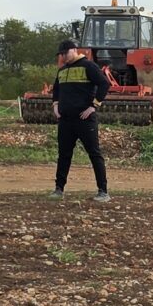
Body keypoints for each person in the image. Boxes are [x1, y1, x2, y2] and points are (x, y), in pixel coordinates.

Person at [48, 39, 112, 200]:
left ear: (74, 50)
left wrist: (94, 106)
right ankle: (58, 189)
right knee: (64, 155)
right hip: (65, 120)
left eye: (65, 53)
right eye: (61, 54)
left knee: (94, 154)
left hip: (85, 119)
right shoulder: (62, 70)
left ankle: (103, 191)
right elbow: (56, 89)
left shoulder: (88, 66)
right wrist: (55, 105)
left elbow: (104, 84)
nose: (63, 56)